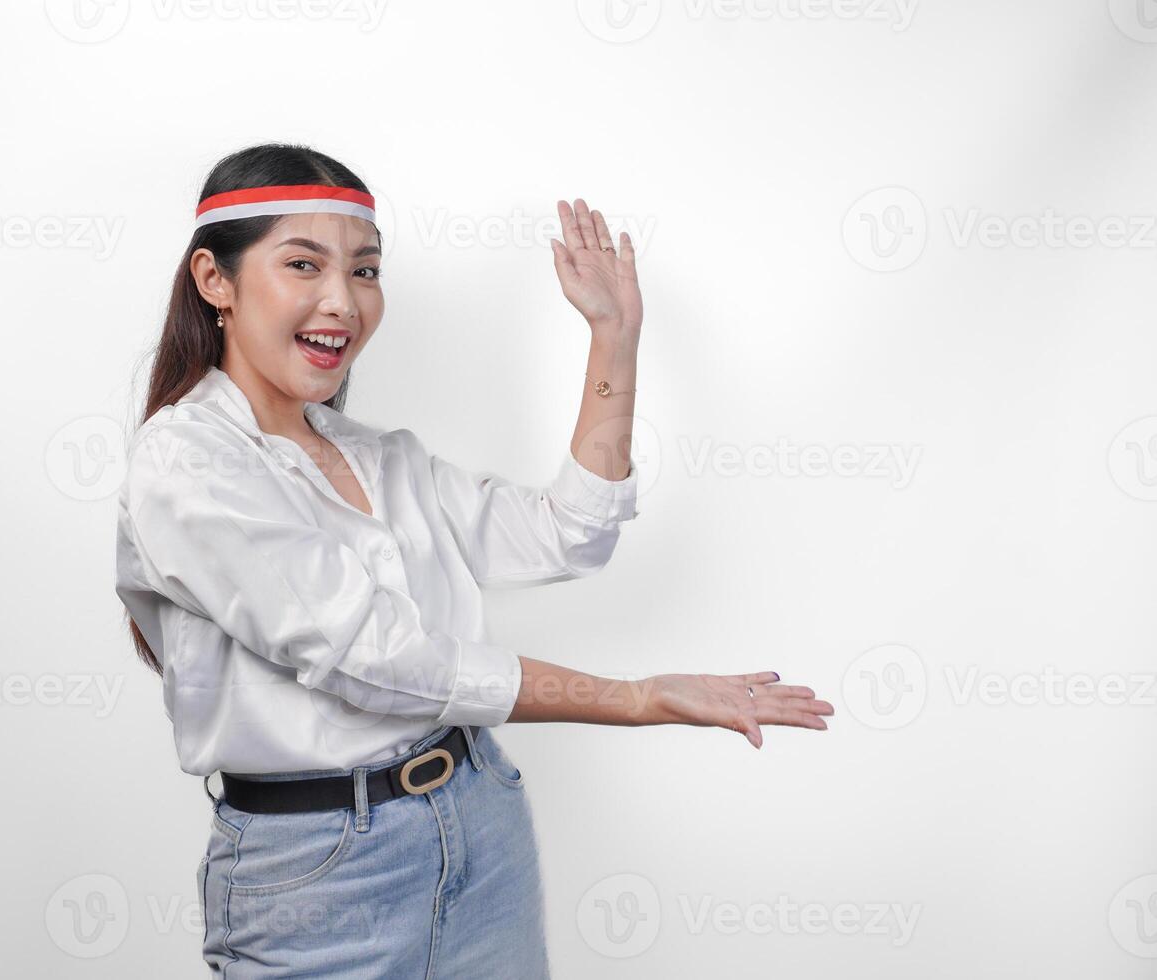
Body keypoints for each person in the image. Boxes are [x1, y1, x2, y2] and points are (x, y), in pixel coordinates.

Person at [114, 142, 834, 978]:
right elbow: (377, 661)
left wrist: (614, 337)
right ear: (216, 280)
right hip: (318, 874)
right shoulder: (187, 464)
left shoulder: (385, 459)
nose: (342, 302)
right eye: (303, 263)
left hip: (479, 819)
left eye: (366, 270)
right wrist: (636, 699)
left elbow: (572, 532)